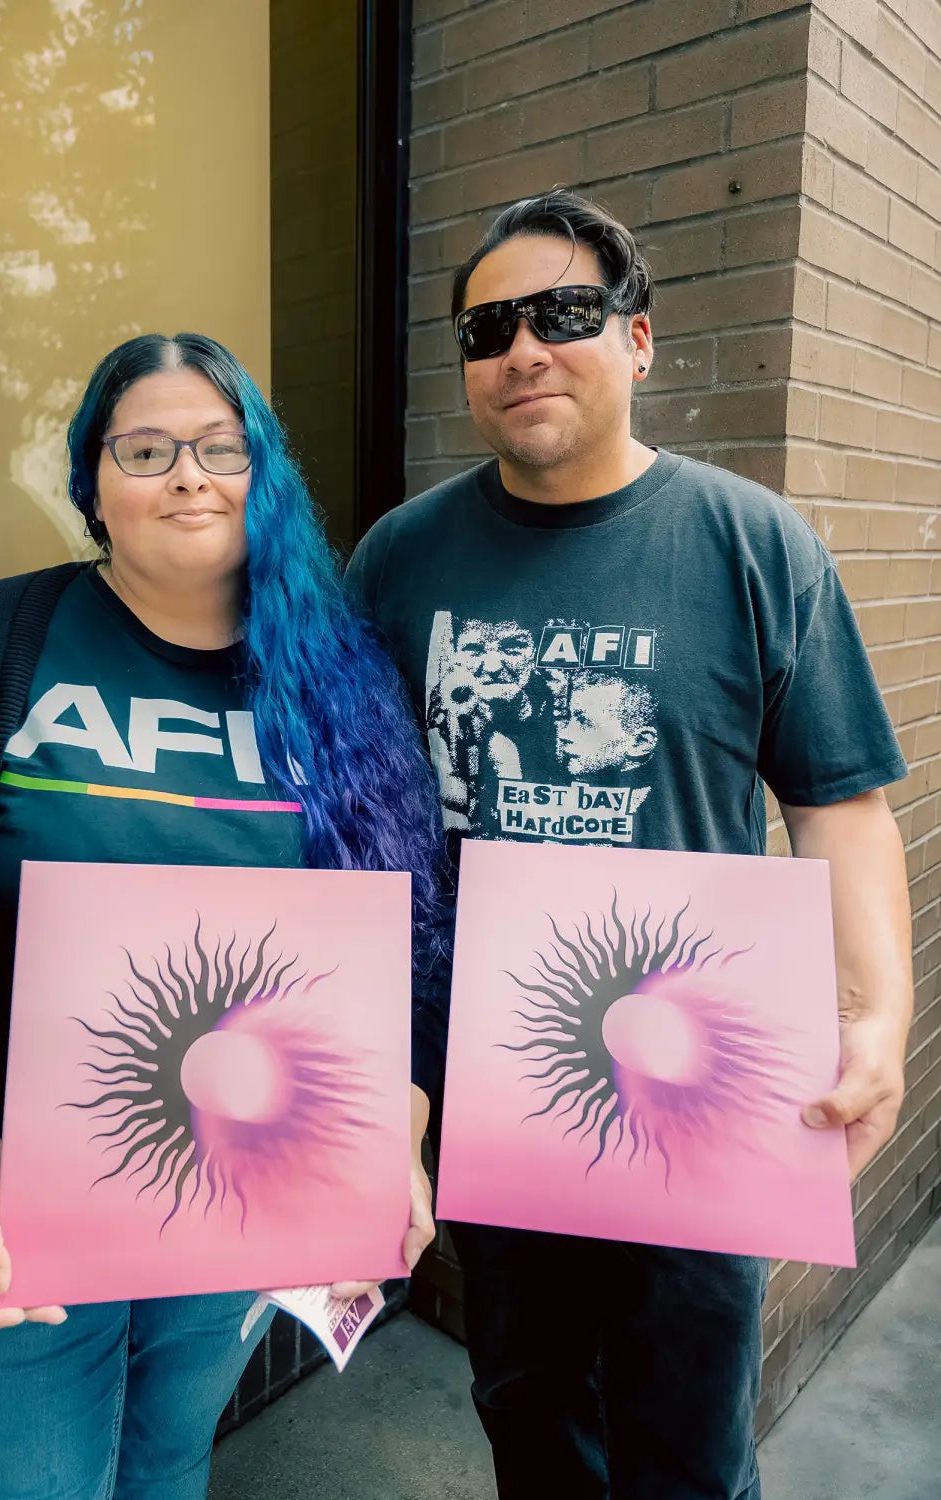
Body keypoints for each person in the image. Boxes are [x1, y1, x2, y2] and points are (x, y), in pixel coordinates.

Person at [0, 332, 444, 1500]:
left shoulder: (342, 681)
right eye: (144, 448)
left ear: (265, 473)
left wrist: (392, 1132)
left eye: (218, 446)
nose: (186, 475)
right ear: (90, 484)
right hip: (12, 1204)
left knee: (165, 1466)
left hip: (239, 1198)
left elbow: (402, 944)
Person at [346, 190, 914, 1500]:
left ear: (638, 342)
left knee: (686, 1437)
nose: (522, 351)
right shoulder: (399, 559)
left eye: (562, 314)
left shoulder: (748, 544)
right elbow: (361, 824)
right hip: (498, 1076)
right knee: (529, 1412)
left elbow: (834, 802)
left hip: (702, 1080)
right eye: (487, 330)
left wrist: (875, 1012)